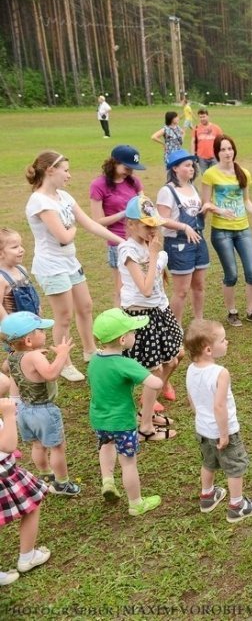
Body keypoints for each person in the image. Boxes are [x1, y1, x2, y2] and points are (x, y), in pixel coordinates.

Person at [25, 151, 125, 382]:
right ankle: (64, 362)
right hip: (51, 266)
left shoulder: (64, 196)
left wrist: (122, 242)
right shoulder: (40, 201)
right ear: (50, 170)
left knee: (86, 306)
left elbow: (89, 223)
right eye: (65, 170)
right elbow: (63, 235)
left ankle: (90, 351)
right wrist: (74, 231)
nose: (69, 175)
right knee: (64, 317)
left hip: (70, 262)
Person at [117, 195, 183, 439]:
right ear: (131, 224)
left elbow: (157, 286)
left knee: (176, 358)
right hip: (140, 316)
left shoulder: (150, 245)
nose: (153, 230)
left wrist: (154, 251)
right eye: (147, 225)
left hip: (159, 311)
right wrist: (155, 254)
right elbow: (144, 289)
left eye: (155, 225)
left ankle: (147, 407)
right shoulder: (128, 250)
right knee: (152, 372)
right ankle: (145, 426)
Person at [184, 319, 252, 522]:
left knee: (208, 462)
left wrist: (201, 419)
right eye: (223, 340)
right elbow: (219, 406)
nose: (227, 342)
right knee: (235, 467)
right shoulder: (220, 373)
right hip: (222, 430)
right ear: (209, 349)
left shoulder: (191, 369)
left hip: (203, 428)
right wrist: (225, 433)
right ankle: (237, 505)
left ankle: (207, 495)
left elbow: (192, 399)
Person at [88, 308, 164, 516]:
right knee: (128, 462)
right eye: (132, 332)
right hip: (122, 421)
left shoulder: (94, 359)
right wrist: (149, 375)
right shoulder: (126, 364)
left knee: (105, 446)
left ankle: (108, 480)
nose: (135, 334)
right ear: (123, 340)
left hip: (99, 418)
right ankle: (136, 503)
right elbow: (156, 382)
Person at [1, 312, 78, 495]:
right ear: (28, 340)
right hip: (44, 410)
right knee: (57, 447)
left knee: (37, 445)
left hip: (24, 410)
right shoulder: (35, 357)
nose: (45, 333)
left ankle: (46, 475)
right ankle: (62, 484)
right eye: (41, 330)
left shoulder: (12, 356)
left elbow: (6, 368)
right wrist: (62, 354)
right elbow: (51, 373)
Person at [201, 135, 252, 327]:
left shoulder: (243, 173)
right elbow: (205, 204)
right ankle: (232, 311)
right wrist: (219, 209)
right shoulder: (210, 174)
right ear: (217, 153)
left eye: (230, 149)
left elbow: (246, 201)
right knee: (231, 274)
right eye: (223, 149)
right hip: (221, 231)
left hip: (243, 229)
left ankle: (251, 310)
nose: (227, 153)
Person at [0, 396, 50, 585]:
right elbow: (7, 445)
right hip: (3, 472)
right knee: (32, 505)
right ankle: (27, 556)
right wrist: (9, 415)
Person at [156, 149, 209, 322]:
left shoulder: (192, 187)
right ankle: (175, 327)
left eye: (192, 164)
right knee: (181, 291)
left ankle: (198, 321)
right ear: (175, 169)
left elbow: (196, 214)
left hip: (198, 240)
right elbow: (161, 219)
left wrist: (207, 210)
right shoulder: (167, 191)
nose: (192, 168)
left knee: (199, 286)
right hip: (178, 243)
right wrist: (184, 227)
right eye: (187, 165)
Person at [89, 145, 145, 308]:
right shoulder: (99, 185)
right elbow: (97, 221)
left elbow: (144, 205)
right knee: (122, 289)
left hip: (139, 239)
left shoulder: (134, 182)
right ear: (114, 163)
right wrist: (124, 213)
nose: (130, 172)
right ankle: (120, 327)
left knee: (142, 286)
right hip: (118, 242)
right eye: (127, 167)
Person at [0, 229, 41, 320]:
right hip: (16, 328)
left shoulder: (22, 270)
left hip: (33, 320)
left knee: (39, 335)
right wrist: (8, 323)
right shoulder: (1, 278)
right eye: (15, 247)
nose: (21, 250)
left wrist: (38, 312)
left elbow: (32, 295)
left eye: (20, 245)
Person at [192, 109, 223, 174]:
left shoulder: (216, 128)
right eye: (200, 117)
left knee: (214, 175)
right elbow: (193, 142)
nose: (202, 119)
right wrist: (193, 155)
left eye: (204, 117)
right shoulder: (196, 128)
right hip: (201, 157)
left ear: (208, 116)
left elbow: (222, 141)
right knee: (205, 176)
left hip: (214, 156)